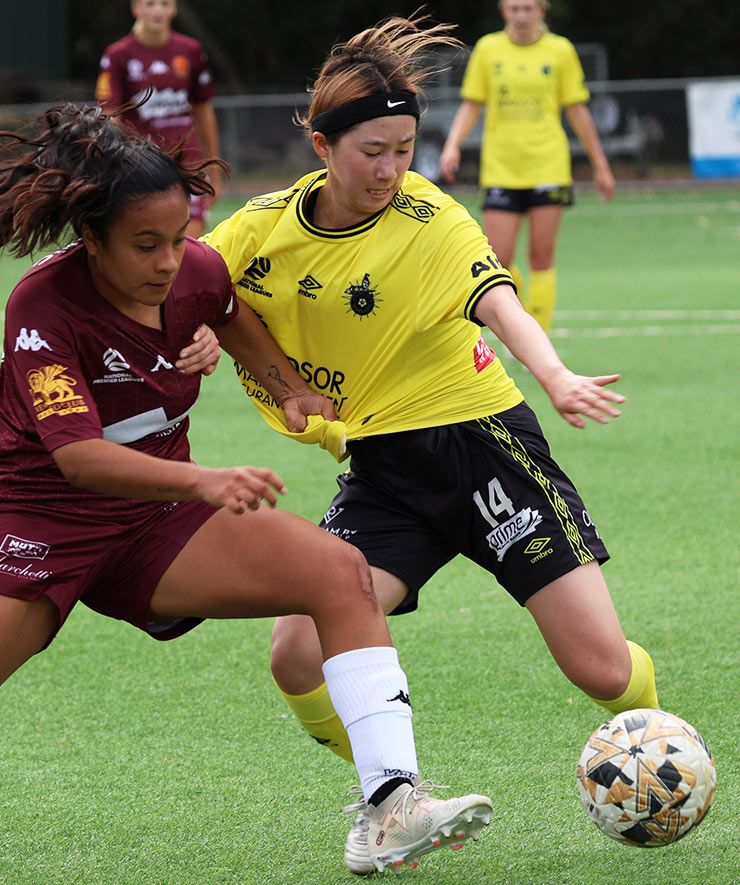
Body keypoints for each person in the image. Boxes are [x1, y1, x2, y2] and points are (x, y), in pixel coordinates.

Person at [201, 12, 659, 876]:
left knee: (601, 671)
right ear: (322, 142)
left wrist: (555, 375)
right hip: (382, 469)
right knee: (295, 646)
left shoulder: (430, 215)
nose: (389, 169)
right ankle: (387, 799)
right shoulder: (260, 228)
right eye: (372, 149)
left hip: (481, 445)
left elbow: (498, 300)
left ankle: (660, 739)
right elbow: (194, 288)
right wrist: (189, 333)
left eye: (405, 149)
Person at [0, 103, 494, 875]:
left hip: (158, 523)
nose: (169, 261)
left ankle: (393, 805)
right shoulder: (40, 305)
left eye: (177, 237)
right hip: (42, 519)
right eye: (144, 245)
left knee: (338, 572)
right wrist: (204, 477)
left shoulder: (195, 270)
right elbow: (79, 459)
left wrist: (288, 386)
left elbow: (230, 311)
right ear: (90, 238)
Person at [439, 0, 615, 336]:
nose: (521, 15)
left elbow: (577, 110)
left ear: (541, 11)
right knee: (498, 261)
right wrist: (452, 145)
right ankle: (519, 324)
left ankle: (539, 337)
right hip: (501, 169)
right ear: (504, 12)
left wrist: (600, 164)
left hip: (547, 165)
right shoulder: (489, 49)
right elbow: (472, 104)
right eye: (514, 9)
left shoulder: (560, 50)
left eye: (528, 8)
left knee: (541, 256)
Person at [95, 0, 221, 237]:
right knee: (146, 236)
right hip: (142, 163)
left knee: (189, 235)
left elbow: (204, 109)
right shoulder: (118, 55)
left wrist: (214, 167)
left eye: (164, 3)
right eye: (150, 3)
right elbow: (110, 115)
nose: (158, 10)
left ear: (173, 9)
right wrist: (108, 164)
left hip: (188, 161)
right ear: (136, 9)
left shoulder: (190, 50)